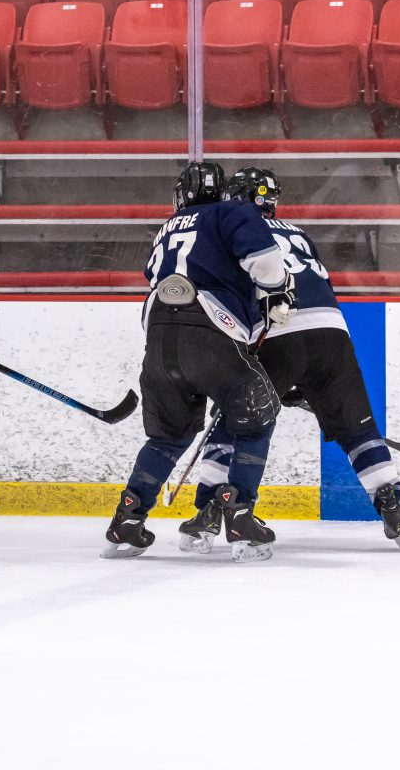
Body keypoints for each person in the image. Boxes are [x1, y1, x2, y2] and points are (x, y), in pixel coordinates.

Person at [183, 167, 400, 552]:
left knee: (235, 423)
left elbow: (233, 295)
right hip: (332, 333)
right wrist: (300, 377)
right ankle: (392, 506)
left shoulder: (233, 231)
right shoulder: (298, 233)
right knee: (357, 429)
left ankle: (210, 509)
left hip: (277, 334)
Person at [103, 161, 296, 563]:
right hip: (210, 333)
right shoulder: (232, 211)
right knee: (258, 417)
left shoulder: (166, 228)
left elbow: (157, 277)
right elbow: (265, 260)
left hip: (159, 338)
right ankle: (239, 512)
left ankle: (128, 516)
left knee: (168, 437)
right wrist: (276, 293)